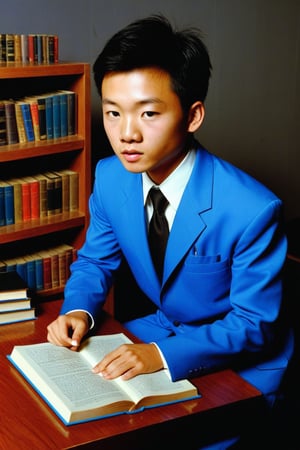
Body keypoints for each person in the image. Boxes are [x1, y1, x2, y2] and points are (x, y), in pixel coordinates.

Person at [47, 14, 293, 448]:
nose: (126, 133)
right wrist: (78, 311)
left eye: (148, 113)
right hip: (160, 329)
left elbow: (255, 325)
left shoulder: (254, 209)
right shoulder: (110, 176)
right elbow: (95, 261)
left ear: (193, 115)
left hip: (243, 362)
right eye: (112, 113)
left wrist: (159, 355)